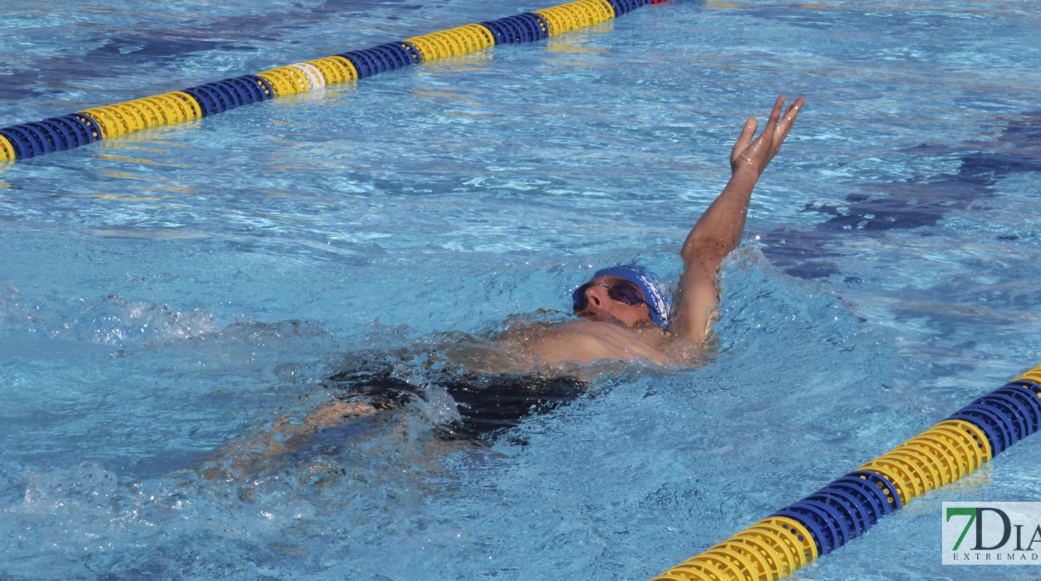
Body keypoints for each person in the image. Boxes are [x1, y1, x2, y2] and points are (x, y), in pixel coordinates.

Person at [228, 95, 805, 464]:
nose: (596, 296)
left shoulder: (675, 345)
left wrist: (747, 174)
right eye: (588, 293)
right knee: (260, 445)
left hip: (514, 399)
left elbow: (704, 256)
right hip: (428, 374)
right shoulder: (539, 325)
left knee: (390, 478)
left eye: (622, 292)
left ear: (654, 315)